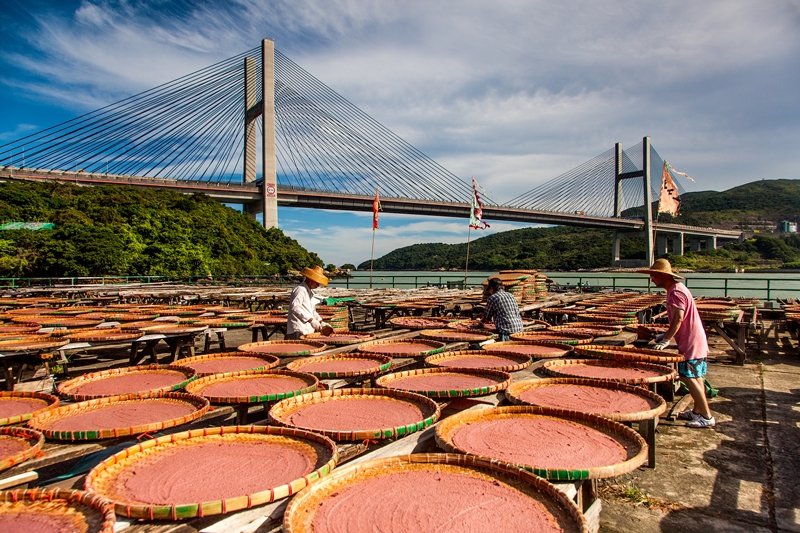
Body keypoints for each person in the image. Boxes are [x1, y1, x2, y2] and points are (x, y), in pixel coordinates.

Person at [637, 258, 715, 428]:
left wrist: (666, 339)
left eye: (653, 275)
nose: (652, 279)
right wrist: (665, 334)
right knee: (697, 377)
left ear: (662, 275)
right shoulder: (678, 289)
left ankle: (707, 416)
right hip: (695, 339)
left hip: (690, 341)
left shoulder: (676, 292)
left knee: (688, 377)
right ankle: (697, 411)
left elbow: (679, 318)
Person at [286, 266, 332, 340]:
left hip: (307, 329)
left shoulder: (310, 292)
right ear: (310, 279)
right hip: (298, 328)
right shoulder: (300, 289)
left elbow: (312, 311)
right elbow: (295, 307)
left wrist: (321, 322)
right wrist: (311, 320)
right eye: (316, 282)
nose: (318, 285)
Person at [479, 277, 524, 341]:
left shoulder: (493, 298)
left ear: (491, 288)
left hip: (506, 331)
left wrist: (480, 323)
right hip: (519, 328)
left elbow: (487, 316)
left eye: (489, 290)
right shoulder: (511, 295)